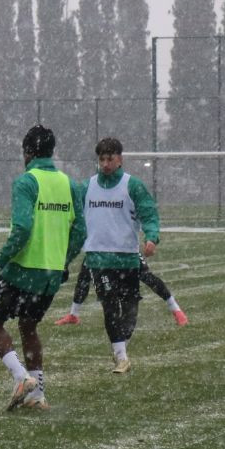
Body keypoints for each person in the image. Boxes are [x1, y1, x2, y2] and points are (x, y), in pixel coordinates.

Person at [0, 125, 86, 411]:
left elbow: (23, 228)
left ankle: (21, 378)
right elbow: (80, 232)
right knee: (29, 326)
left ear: (27, 153)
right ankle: (37, 395)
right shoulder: (70, 184)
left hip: (23, 270)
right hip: (51, 275)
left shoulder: (26, 182)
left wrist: (1, 261)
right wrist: (62, 261)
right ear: (52, 151)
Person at [76, 137, 163, 374]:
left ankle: (120, 345)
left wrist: (152, 237)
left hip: (127, 258)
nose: (105, 164)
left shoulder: (132, 186)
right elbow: (73, 217)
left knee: (130, 310)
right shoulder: (86, 187)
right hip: (98, 260)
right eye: (101, 159)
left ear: (119, 159)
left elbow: (149, 214)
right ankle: (121, 357)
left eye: (110, 158)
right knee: (110, 306)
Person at [53, 262, 188, 327]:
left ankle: (176, 310)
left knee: (146, 276)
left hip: (125, 246)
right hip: (100, 246)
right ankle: (73, 315)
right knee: (84, 277)